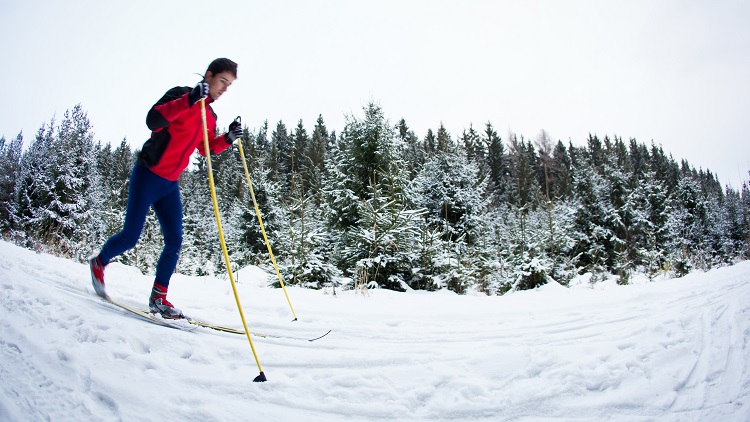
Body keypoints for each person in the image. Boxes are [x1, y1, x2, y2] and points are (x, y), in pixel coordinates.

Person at [89, 58, 243, 319]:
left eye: (229, 86)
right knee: (130, 236)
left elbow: (204, 149)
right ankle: (99, 262)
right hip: (148, 175)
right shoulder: (181, 95)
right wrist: (190, 99)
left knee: (174, 241)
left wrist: (227, 139)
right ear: (209, 75)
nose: (224, 89)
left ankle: (159, 298)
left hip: (170, 184)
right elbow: (153, 120)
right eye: (222, 82)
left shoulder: (210, 116)